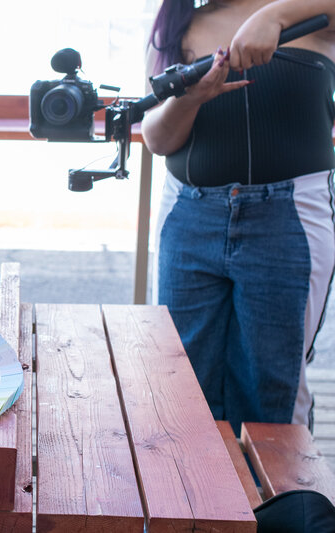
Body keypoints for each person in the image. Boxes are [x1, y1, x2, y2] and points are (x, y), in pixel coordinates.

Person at [143, 0, 335, 435]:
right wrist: (189, 100)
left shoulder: (313, 12)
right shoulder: (178, 25)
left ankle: (278, 503)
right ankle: (194, 500)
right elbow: (156, 137)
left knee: (273, 384)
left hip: (288, 219)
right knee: (184, 381)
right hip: (190, 217)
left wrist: (275, 16)